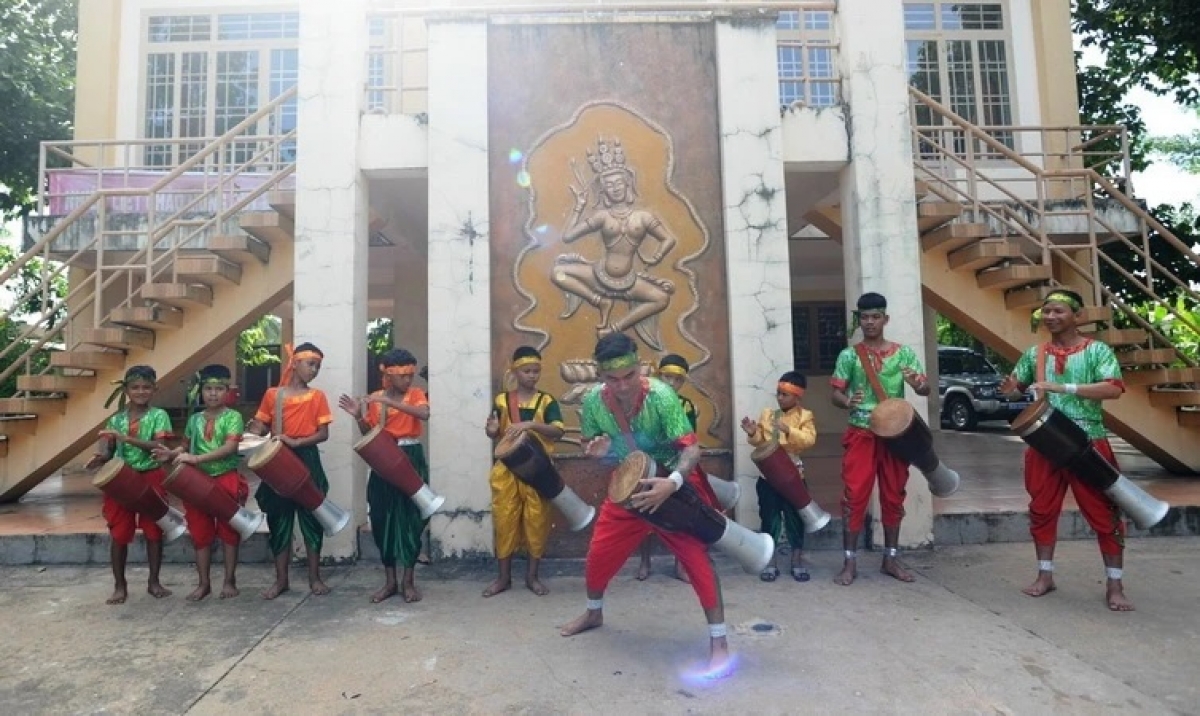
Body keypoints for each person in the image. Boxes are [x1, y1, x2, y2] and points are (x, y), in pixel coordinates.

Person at [560, 333, 731, 676]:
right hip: (627, 490)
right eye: (613, 379)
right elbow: (595, 447)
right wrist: (596, 452)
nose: (622, 386)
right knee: (598, 557)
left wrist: (672, 483)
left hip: (672, 489)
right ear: (601, 377)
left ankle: (720, 643)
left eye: (629, 376)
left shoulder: (663, 397)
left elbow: (691, 449)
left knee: (697, 563)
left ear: (639, 367)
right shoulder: (593, 402)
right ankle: (594, 612)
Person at [999, 289, 1132, 611]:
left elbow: (1113, 388)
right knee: (1042, 509)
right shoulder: (1035, 354)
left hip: (1088, 441)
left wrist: (1064, 387)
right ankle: (1045, 575)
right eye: (1046, 312)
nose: (1050, 317)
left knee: (1103, 512)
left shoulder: (1096, 351)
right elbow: (1015, 392)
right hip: (1044, 443)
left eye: (1058, 311)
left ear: (1077, 315)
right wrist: (1010, 390)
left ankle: (1115, 584)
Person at [829, 292, 930, 586]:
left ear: (886, 319)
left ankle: (891, 558)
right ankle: (849, 561)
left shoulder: (904, 353)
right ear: (858, 320)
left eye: (875, 317)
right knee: (853, 496)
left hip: (896, 435)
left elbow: (925, 389)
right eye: (865, 317)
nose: (870, 322)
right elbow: (835, 394)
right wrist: (847, 401)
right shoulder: (849, 355)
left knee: (893, 495)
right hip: (861, 432)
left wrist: (918, 384)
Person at [339, 348, 431, 604]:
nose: (408, 380)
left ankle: (408, 581)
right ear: (389, 376)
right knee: (382, 518)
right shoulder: (376, 398)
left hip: (411, 456)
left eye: (411, 374)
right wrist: (359, 416)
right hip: (383, 458)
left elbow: (424, 414)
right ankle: (390, 581)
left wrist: (391, 403)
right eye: (403, 376)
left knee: (412, 517)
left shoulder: (415, 395)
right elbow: (369, 432)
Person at [246, 342, 334, 599]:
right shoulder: (273, 395)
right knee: (279, 520)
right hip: (277, 458)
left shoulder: (317, 397)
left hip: (306, 457)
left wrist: (297, 442)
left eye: (318, 366)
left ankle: (314, 578)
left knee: (311, 518)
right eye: (311, 364)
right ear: (294, 363)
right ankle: (281, 580)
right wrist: (253, 430)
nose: (314, 370)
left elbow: (323, 434)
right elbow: (261, 428)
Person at [85, 365, 174, 605]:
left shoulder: (160, 415)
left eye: (146, 387)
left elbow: (160, 447)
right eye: (135, 387)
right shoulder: (115, 419)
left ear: (154, 389)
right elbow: (108, 447)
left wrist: (128, 439)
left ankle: (154, 582)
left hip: (151, 477)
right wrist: (100, 457)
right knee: (119, 533)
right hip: (121, 480)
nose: (141, 392)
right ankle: (119, 585)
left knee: (154, 531)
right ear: (126, 390)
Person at [157, 364, 247, 601]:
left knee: (229, 531)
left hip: (226, 479)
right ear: (201, 391)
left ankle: (229, 581)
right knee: (200, 531)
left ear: (227, 391)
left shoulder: (234, 417)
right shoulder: (195, 419)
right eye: (208, 389)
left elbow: (230, 447)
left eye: (219, 389)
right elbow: (185, 445)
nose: (213, 394)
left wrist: (196, 458)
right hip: (196, 481)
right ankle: (203, 583)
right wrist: (172, 453)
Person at [482, 346, 565, 597]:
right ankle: (503, 578)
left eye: (535, 371)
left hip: (538, 469)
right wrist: (492, 429)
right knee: (505, 520)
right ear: (515, 372)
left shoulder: (547, 401)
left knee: (536, 520)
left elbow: (558, 430)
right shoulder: (502, 400)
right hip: (507, 469)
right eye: (527, 371)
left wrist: (530, 424)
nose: (532, 375)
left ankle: (532, 577)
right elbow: (493, 432)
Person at [741, 370, 817, 583]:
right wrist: (752, 432)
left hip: (794, 476)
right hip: (769, 477)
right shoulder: (769, 414)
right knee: (769, 517)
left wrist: (789, 430)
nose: (780, 398)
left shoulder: (805, 416)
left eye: (785, 394)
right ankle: (770, 563)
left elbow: (809, 441)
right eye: (778, 393)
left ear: (797, 396)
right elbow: (760, 442)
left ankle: (797, 561)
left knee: (796, 518)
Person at [636, 353, 697, 582]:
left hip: (675, 465)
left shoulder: (685, 405)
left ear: (683, 382)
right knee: (644, 512)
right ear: (658, 376)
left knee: (682, 514)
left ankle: (680, 564)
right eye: (667, 377)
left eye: (677, 379)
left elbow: (690, 440)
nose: (671, 383)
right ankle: (644, 561)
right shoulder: (644, 402)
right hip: (649, 463)